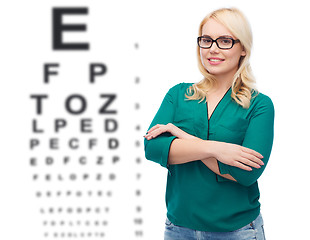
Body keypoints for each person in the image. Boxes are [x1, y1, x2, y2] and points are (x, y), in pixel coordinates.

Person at [144, 7, 274, 240]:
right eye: (207, 40)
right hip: (178, 229)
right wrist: (218, 149)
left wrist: (181, 138)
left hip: (237, 231)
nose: (213, 49)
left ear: (243, 48)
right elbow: (153, 148)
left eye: (225, 40)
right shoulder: (178, 94)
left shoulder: (259, 105)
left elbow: (246, 174)